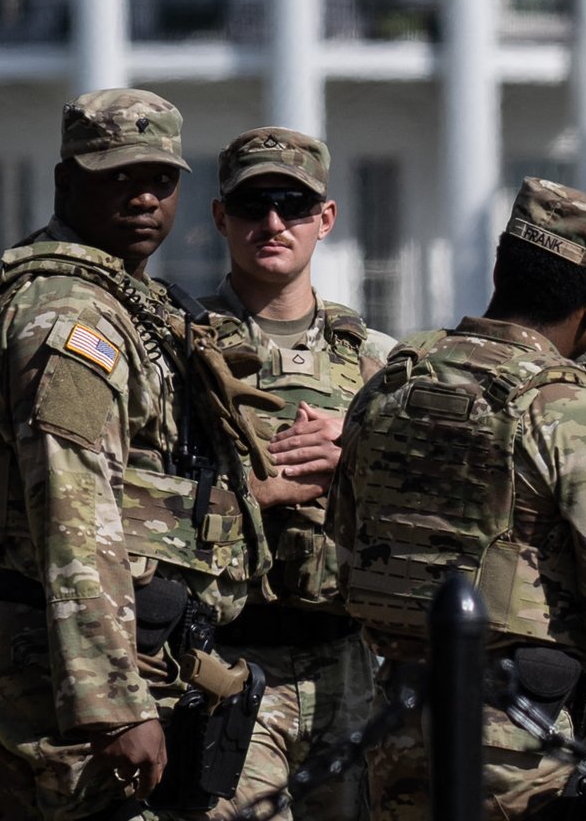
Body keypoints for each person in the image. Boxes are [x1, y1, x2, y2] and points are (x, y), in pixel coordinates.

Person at [329, 177, 586, 821]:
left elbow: (347, 541)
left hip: (395, 727)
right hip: (520, 750)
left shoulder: (390, 383)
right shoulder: (579, 416)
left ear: (501, 268)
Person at [0, 90, 265, 821]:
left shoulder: (121, 298)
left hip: (75, 641)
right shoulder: (71, 315)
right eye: (117, 176)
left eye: (159, 179)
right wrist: (113, 703)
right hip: (60, 657)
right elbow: (72, 506)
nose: (144, 196)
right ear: (68, 184)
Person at [202, 127, 396, 819]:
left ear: (326, 219)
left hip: (346, 660)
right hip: (227, 660)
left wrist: (357, 457)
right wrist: (273, 489)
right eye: (254, 205)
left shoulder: (375, 359)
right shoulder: (182, 349)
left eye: (293, 203)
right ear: (222, 217)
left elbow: (437, 495)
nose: (273, 223)